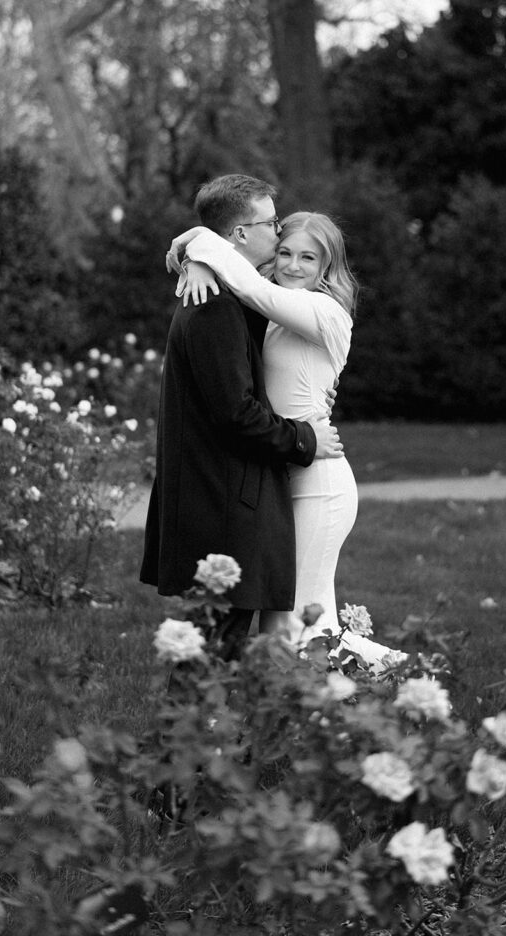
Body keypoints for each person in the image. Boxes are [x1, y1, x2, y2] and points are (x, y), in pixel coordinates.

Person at [167, 210, 394, 668]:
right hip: (280, 472)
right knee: (292, 631)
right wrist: (198, 261)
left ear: (327, 267)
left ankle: (410, 681)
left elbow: (252, 286)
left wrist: (197, 242)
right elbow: (244, 285)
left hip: (319, 481)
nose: (292, 265)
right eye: (285, 251)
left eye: (308, 258)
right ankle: (308, 726)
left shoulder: (325, 312)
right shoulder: (271, 312)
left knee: (295, 631)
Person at [139, 175, 343, 661]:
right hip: (226, 502)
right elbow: (236, 414)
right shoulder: (213, 305)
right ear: (239, 236)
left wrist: (196, 254)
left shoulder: (236, 297)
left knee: (239, 644)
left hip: (242, 495)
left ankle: (207, 735)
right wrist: (305, 438)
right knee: (217, 650)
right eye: (271, 224)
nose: (279, 234)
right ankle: (192, 737)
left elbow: (260, 297)